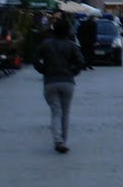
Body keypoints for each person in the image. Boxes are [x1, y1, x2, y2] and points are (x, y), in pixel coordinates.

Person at [34, 17, 85, 153]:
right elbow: (81, 62)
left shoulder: (46, 44)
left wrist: (43, 70)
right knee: (65, 112)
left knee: (56, 111)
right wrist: (73, 72)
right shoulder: (71, 45)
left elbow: (35, 59)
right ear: (67, 30)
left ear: (54, 29)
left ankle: (58, 140)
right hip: (67, 81)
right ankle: (63, 140)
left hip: (50, 81)